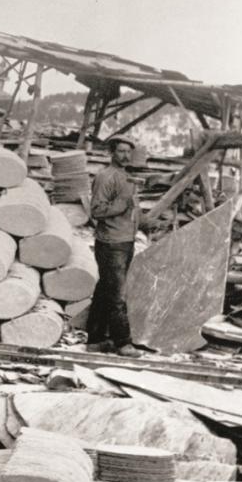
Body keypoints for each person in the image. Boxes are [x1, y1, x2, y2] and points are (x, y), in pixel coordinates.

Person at [86, 136, 143, 358]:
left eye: (129, 152)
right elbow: (97, 210)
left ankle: (95, 340)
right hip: (111, 243)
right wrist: (122, 205)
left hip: (124, 240)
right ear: (112, 153)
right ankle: (123, 343)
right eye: (121, 151)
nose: (125, 156)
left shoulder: (126, 177)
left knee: (104, 291)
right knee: (118, 295)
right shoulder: (105, 177)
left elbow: (128, 209)